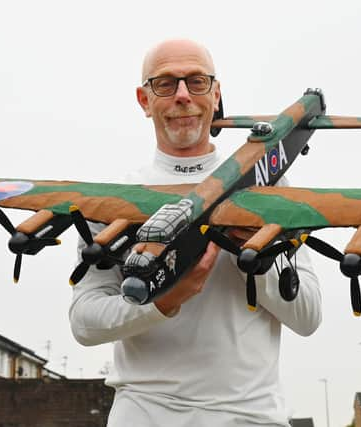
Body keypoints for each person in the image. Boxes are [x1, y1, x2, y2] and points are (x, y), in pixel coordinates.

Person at [69, 39, 322, 427]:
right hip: (143, 413)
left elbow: (308, 316)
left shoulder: (270, 188)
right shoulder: (115, 200)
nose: (183, 96)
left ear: (216, 94)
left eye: (197, 82)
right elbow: (84, 322)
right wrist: (164, 300)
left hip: (251, 416)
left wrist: (253, 257)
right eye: (166, 83)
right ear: (143, 99)